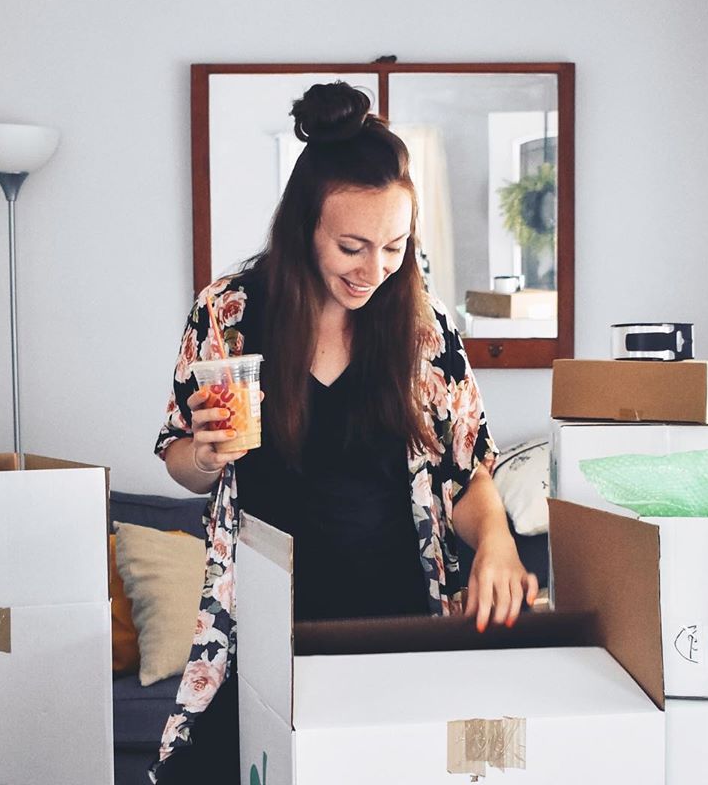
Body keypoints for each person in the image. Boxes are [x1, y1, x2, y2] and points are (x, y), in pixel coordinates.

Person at [150, 81, 537, 783]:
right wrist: (205, 457)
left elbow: (468, 468)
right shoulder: (229, 312)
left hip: (393, 616)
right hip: (262, 619)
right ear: (305, 229)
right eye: (352, 247)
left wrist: (500, 545)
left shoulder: (424, 327)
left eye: (394, 246)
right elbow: (179, 455)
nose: (374, 271)